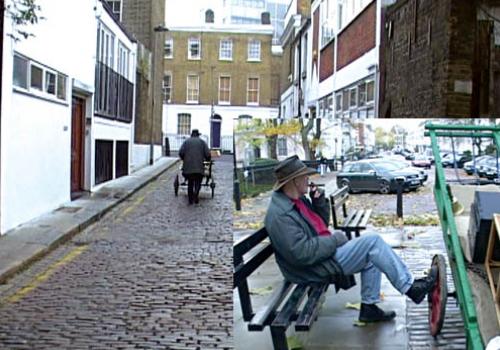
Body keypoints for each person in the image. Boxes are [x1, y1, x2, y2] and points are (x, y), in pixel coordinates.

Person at [264, 155, 438, 322]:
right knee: (372, 242)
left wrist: (318, 203)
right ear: (294, 181)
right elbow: (302, 254)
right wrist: (335, 239)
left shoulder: (297, 200)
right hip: (312, 268)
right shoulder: (281, 215)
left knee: (373, 255)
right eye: (305, 177)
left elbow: (319, 225)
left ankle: (369, 309)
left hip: (321, 257)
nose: (309, 180)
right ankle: (410, 287)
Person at [178, 129, 211, 205]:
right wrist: (207, 160)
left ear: (191, 134)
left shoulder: (186, 142)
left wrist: (184, 159)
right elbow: (208, 154)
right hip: (199, 167)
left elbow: (181, 152)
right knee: (198, 181)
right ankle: (196, 194)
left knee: (190, 183)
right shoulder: (202, 142)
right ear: (198, 135)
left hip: (188, 167)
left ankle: (190, 200)